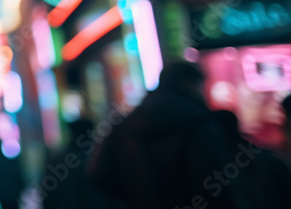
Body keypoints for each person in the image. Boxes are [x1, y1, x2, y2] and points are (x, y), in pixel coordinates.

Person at [88, 62, 252, 209]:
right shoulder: (197, 123)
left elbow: (99, 175)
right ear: (189, 85)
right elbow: (217, 185)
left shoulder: (125, 125)